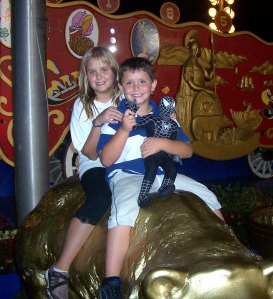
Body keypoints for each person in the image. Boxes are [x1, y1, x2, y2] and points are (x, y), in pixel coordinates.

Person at [96, 57, 225, 298]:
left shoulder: (166, 116)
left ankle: (228, 247)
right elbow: (106, 160)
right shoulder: (114, 117)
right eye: (129, 83)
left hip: (164, 174)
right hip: (127, 175)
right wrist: (124, 129)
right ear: (121, 87)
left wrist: (163, 143)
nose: (136, 88)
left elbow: (187, 150)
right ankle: (111, 279)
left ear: (153, 85)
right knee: (124, 208)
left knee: (207, 195)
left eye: (142, 81)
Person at [44, 46, 123, 299]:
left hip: (127, 163)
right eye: (92, 72)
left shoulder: (126, 97)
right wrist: (98, 123)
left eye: (103, 69)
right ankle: (60, 268)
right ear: (85, 77)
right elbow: (88, 153)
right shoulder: (82, 105)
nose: (99, 76)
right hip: (96, 164)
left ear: (114, 71)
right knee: (100, 198)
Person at [124, 95, 181, 208]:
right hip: (150, 153)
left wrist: (174, 154)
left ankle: (165, 187)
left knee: (172, 168)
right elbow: (136, 126)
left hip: (165, 154)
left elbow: (174, 142)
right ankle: (143, 195)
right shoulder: (152, 119)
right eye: (166, 106)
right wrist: (132, 113)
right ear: (161, 106)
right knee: (151, 170)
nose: (168, 109)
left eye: (170, 107)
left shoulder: (174, 125)